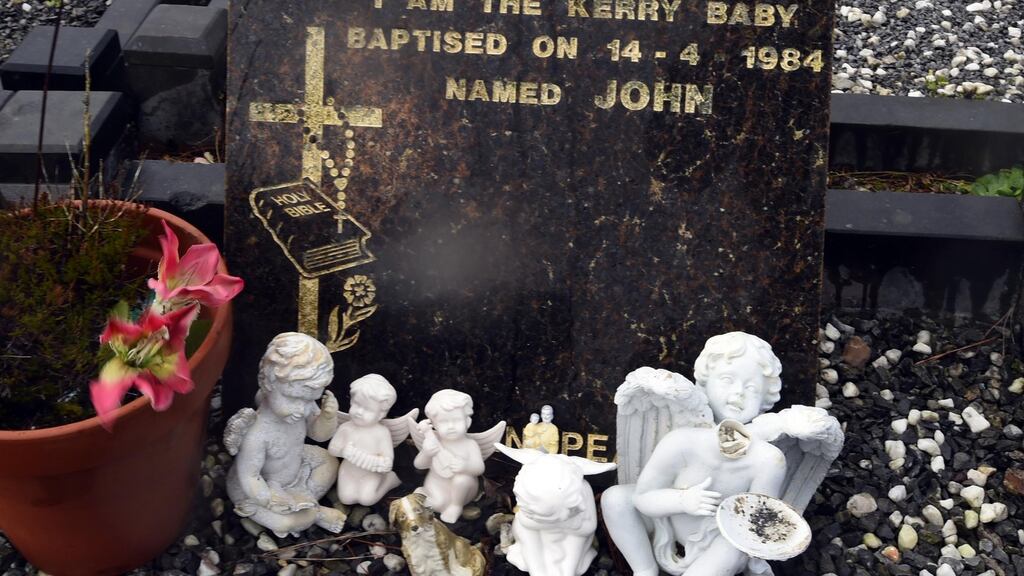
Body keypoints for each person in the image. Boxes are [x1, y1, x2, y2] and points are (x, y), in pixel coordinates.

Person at [601, 332, 786, 576]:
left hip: (722, 539)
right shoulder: (681, 441)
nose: (738, 392)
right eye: (727, 379)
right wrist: (683, 501)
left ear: (765, 400)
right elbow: (642, 497)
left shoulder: (768, 460)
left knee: (733, 546)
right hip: (668, 522)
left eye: (752, 387)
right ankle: (645, 569)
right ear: (703, 385)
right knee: (616, 499)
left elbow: (756, 526)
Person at [225, 333, 346, 537]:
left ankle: (305, 500)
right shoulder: (257, 433)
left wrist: (327, 417)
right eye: (293, 399)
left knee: (330, 462)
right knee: (285, 522)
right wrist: (271, 500)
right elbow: (250, 477)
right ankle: (313, 513)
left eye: (310, 400)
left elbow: (319, 435)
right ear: (268, 385)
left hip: (295, 468)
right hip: (258, 487)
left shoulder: (303, 404)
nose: (302, 409)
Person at [328, 374, 403, 506]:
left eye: (368, 409)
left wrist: (377, 463)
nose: (359, 412)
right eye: (356, 405)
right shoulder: (346, 427)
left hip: (371, 473)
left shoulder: (382, 432)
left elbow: (387, 460)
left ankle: (389, 481)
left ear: (381, 414)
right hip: (349, 471)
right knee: (346, 498)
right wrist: (343, 451)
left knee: (367, 499)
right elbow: (332, 449)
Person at [413, 390, 487, 523]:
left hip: (463, 490)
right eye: (443, 422)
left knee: (462, 479)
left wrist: (465, 466)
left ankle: (456, 507)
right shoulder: (433, 441)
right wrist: (426, 453)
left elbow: (479, 468)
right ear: (434, 425)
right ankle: (424, 494)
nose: (451, 427)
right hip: (437, 484)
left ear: (467, 422)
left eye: (457, 420)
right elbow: (419, 465)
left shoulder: (470, 444)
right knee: (438, 505)